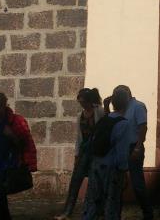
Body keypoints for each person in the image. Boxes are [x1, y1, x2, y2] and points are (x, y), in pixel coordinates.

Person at [0, 92, 37, 220]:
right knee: (0, 200)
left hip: (10, 166)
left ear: (3, 106)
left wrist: (11, 136)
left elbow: (25, 143)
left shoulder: (17, 121)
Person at [55, 88, 105, 220]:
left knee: (95, 182)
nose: (82, 104)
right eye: (80, 102)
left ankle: (96, 211)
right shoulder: (80, 115)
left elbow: (104, 130)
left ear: (89, 101)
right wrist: (76, 155)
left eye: (83, 102)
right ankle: (67, 212)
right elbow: (79, 137)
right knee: (75, 180)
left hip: (96, 151)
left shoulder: (99, 111)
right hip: (84, 151)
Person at [82, 91, 130, 220]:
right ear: (127, 104)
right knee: (111, 203)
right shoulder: (123, 123)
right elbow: (122, 151)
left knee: (91, 201)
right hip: (111, 168)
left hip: (96, 164)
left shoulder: (104, 120)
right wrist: (124, 169)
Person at [111, 85, 153, 220]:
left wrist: (138, 147)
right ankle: (116, 212)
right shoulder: (122, 108)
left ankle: (147, 212)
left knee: (137, 184)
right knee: (118, 183)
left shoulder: (138, 106)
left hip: (133, 146)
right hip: (120, 149)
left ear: (127, 94)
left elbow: (143, 127)